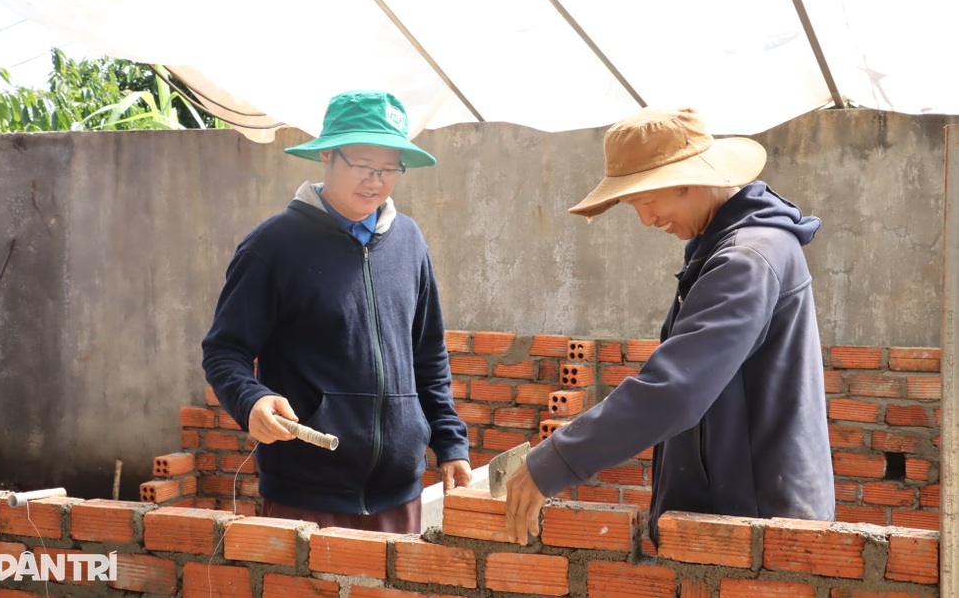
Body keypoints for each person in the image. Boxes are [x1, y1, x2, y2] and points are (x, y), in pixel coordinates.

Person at [505, 106, 835, 546]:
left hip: (755, 524)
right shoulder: (727, 248)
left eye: (647, 200)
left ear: (690, 181)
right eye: (633, 205)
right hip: (741, 509)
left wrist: (558, 458)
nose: (646, 219)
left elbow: (674, 390)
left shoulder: (745, 260)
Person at [202, 89, 471, 534]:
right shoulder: (273, 246)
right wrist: (251, 401)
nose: (376, 180)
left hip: (400, 495)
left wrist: (450, 443)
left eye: (389, 168)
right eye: (363, 164)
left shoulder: (409, 241)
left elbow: (428, 356)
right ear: (327, 156)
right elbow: (224, 351)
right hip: (306, 497)